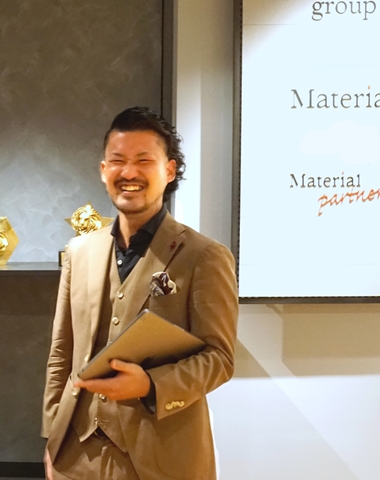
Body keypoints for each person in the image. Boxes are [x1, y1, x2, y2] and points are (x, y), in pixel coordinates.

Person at [42, 107, 238, 480]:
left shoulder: (205, 256)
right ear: (104, 170)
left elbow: (219, 359)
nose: (129, 172)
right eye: (118, 161)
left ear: (169, 170)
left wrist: (150, 384)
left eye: (143, 161)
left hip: (163, 460)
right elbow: (60, 355)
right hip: (76, 459)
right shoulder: (79, 251)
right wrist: (53, 438)